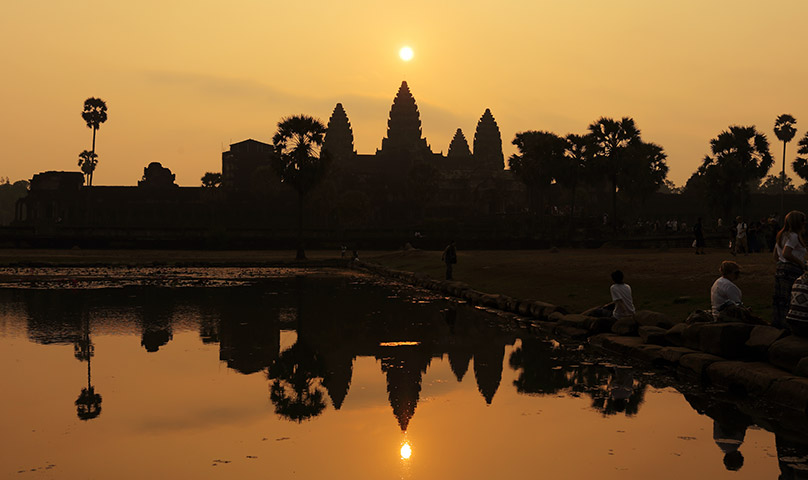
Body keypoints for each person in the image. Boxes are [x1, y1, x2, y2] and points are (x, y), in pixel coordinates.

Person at [773, 210, 807, 328]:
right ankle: (789, 326)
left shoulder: (781, 235)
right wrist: (801, 264)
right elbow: (786, 253)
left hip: (780, 269)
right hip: (791, 270)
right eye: (803, 221)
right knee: (790, 298)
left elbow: (776, 256)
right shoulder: (793, 236)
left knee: (780, 299)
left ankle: (779, 323)